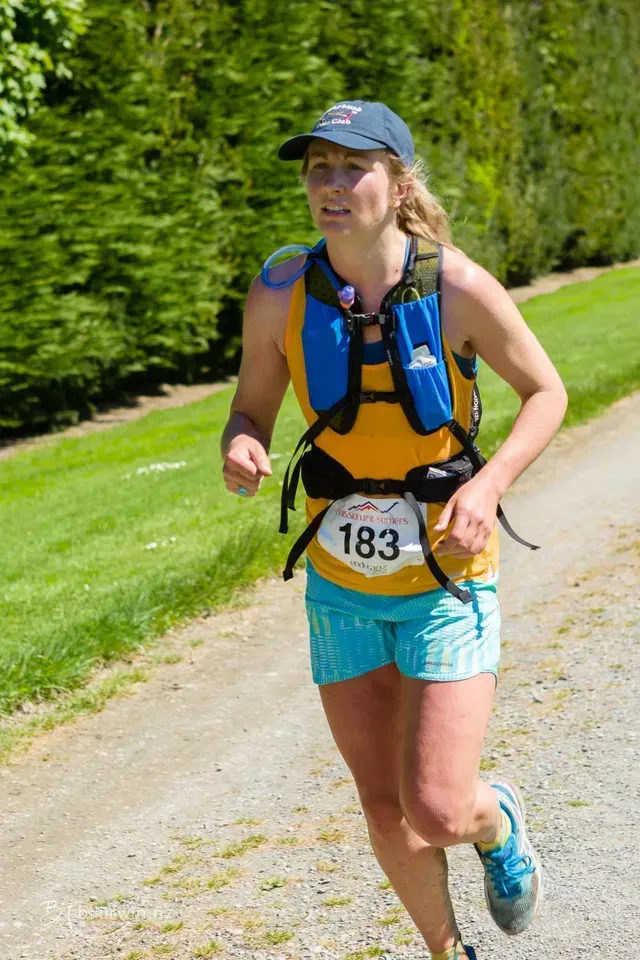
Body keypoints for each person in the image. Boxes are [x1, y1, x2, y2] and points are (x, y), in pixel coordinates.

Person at [221, 100, 567, 960]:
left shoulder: (457, 288)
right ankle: (452, 953)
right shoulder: (278, 292)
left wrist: (488, 485)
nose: (331, 186)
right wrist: (243, 443)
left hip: (448, 581)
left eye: (353, 168)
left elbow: (547, 392)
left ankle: (498, 819)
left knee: (439, 807)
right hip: (342, 587)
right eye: (317, 170)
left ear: (398, 181)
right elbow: (252, 406)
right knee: (384, 808)